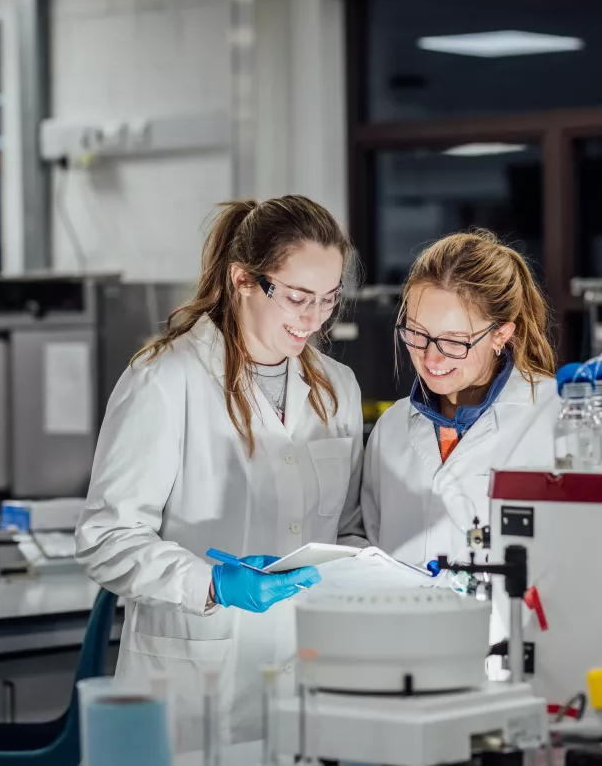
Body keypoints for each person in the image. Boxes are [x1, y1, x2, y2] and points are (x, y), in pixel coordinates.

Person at [75, 195, 364, 747]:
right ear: (243, 280)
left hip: (302, 676)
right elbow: (104, 539)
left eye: (328, 300)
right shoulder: (165, 379)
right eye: (298, 297)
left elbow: (346, 528)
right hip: (190, 681)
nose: (313, 319)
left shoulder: (337, 388)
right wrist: (212, 584)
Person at [350, 229, 556, 567]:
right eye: (416, 334)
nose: (431, 359)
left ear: (501, 334)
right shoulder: (391, 429)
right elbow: (372, 553)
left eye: (454, 341)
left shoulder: (553, 419)